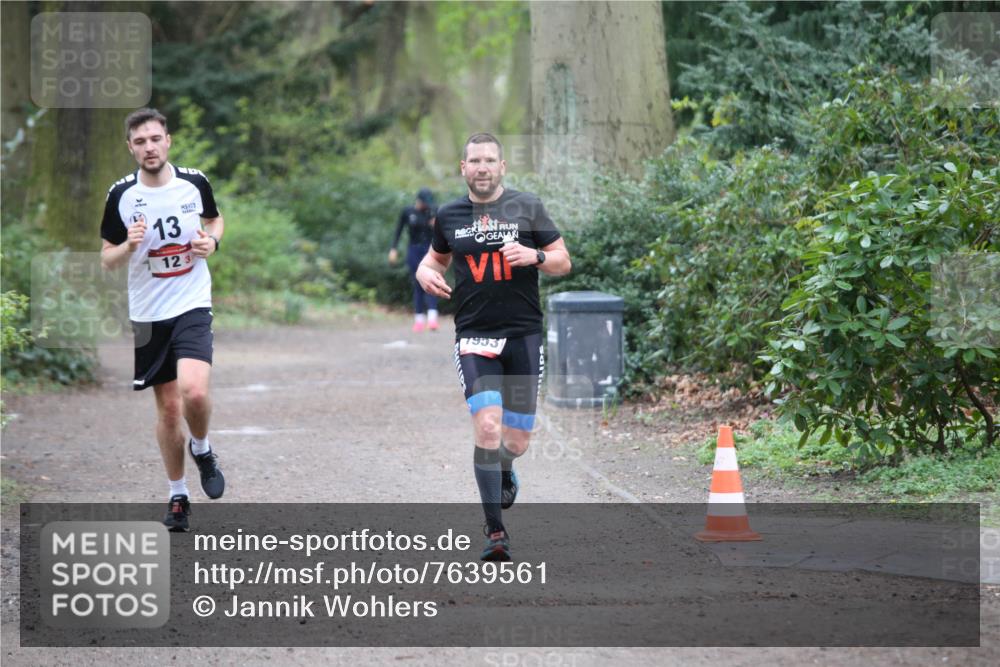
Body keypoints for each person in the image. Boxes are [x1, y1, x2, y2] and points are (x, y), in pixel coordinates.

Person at [416, 133, 571, 561]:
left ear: (502, 167)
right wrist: (423, 273)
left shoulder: (528, 206)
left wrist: (535, 256)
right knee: (487, 426)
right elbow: (435, 259)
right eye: (474, 161)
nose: (482, 167)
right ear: (462, 168)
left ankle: (504, 467)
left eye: (489, 160)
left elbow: (563, 259)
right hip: (474, 336)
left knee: (516, 441)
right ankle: (496, 532)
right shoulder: (448, 215)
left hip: (522, 335)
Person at [100, 108, 225, 532]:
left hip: (191, 301)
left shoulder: (194, 182)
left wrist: (212, 241)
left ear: (167, 140)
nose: (149, 147)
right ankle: (177, 496)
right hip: (149, 313)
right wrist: (128, 246)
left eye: (155, 139)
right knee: (169, 409)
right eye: (140, 142)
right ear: (130, 147)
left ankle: (203, 449)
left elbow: (214, 219)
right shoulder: (121, 195)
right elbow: (106, 260)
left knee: (193, 391)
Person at [389, 187, 439, 332]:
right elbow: (398, 230)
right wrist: (393, 248)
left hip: (430, 250)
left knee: (432, 281)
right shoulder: (408, 212)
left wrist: (436, 226)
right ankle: (418, 318)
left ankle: (432, 318)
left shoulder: (433, 211)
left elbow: (441, 232)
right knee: (417, 282)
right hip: (414, 249)